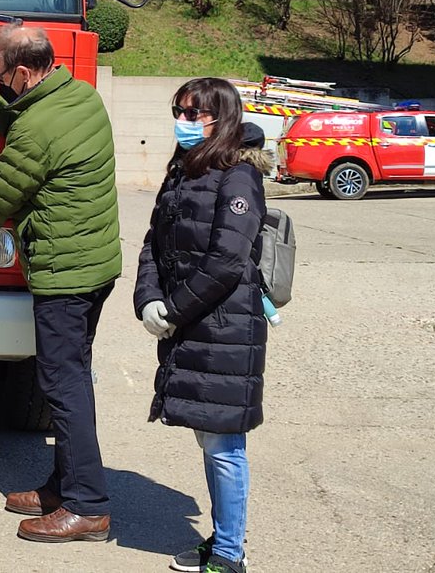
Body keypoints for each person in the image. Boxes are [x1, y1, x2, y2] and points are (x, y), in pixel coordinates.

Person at [0, 24, 121, 544]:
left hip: (66, 274)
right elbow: (17, 118)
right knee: (71, 380)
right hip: (93, 264)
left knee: (63, 388)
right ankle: (64, 486)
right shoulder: (75, 96)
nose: (1, 83)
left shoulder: (40, 128)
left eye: (0, 75)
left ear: (21, 71)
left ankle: (88, 506)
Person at [134, 78, 270, 573]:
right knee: (208, 437)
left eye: (194, 114)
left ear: (222, 118)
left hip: (224, 326)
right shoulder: (184, 170)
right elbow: (154, 241)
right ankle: (222, 539)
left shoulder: (238, 176)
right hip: (191, 321)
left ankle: (231, 553)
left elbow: (229, 260)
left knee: (224, 443)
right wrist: (148, 298)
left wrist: (175, 309)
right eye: (179, 111)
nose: (183, 122)